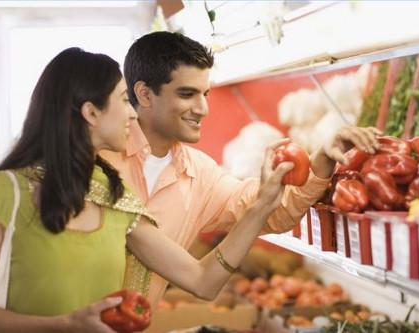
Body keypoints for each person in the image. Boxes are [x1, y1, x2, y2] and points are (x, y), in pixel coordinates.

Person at [0, 47, 294, 333]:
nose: (132, 114)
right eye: (125, 100)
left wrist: (263, 205)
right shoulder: (2, 190)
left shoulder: (114, 198)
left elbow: (202, 281)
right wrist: (63, 326)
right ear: (91, 112)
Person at [100, 31, 381, 306]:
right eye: (187, 94)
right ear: (145, 94)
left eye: (205, 94)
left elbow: (270, 209)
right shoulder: (96, 160)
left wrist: (322, 160)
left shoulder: (200, 175)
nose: (202, 108)